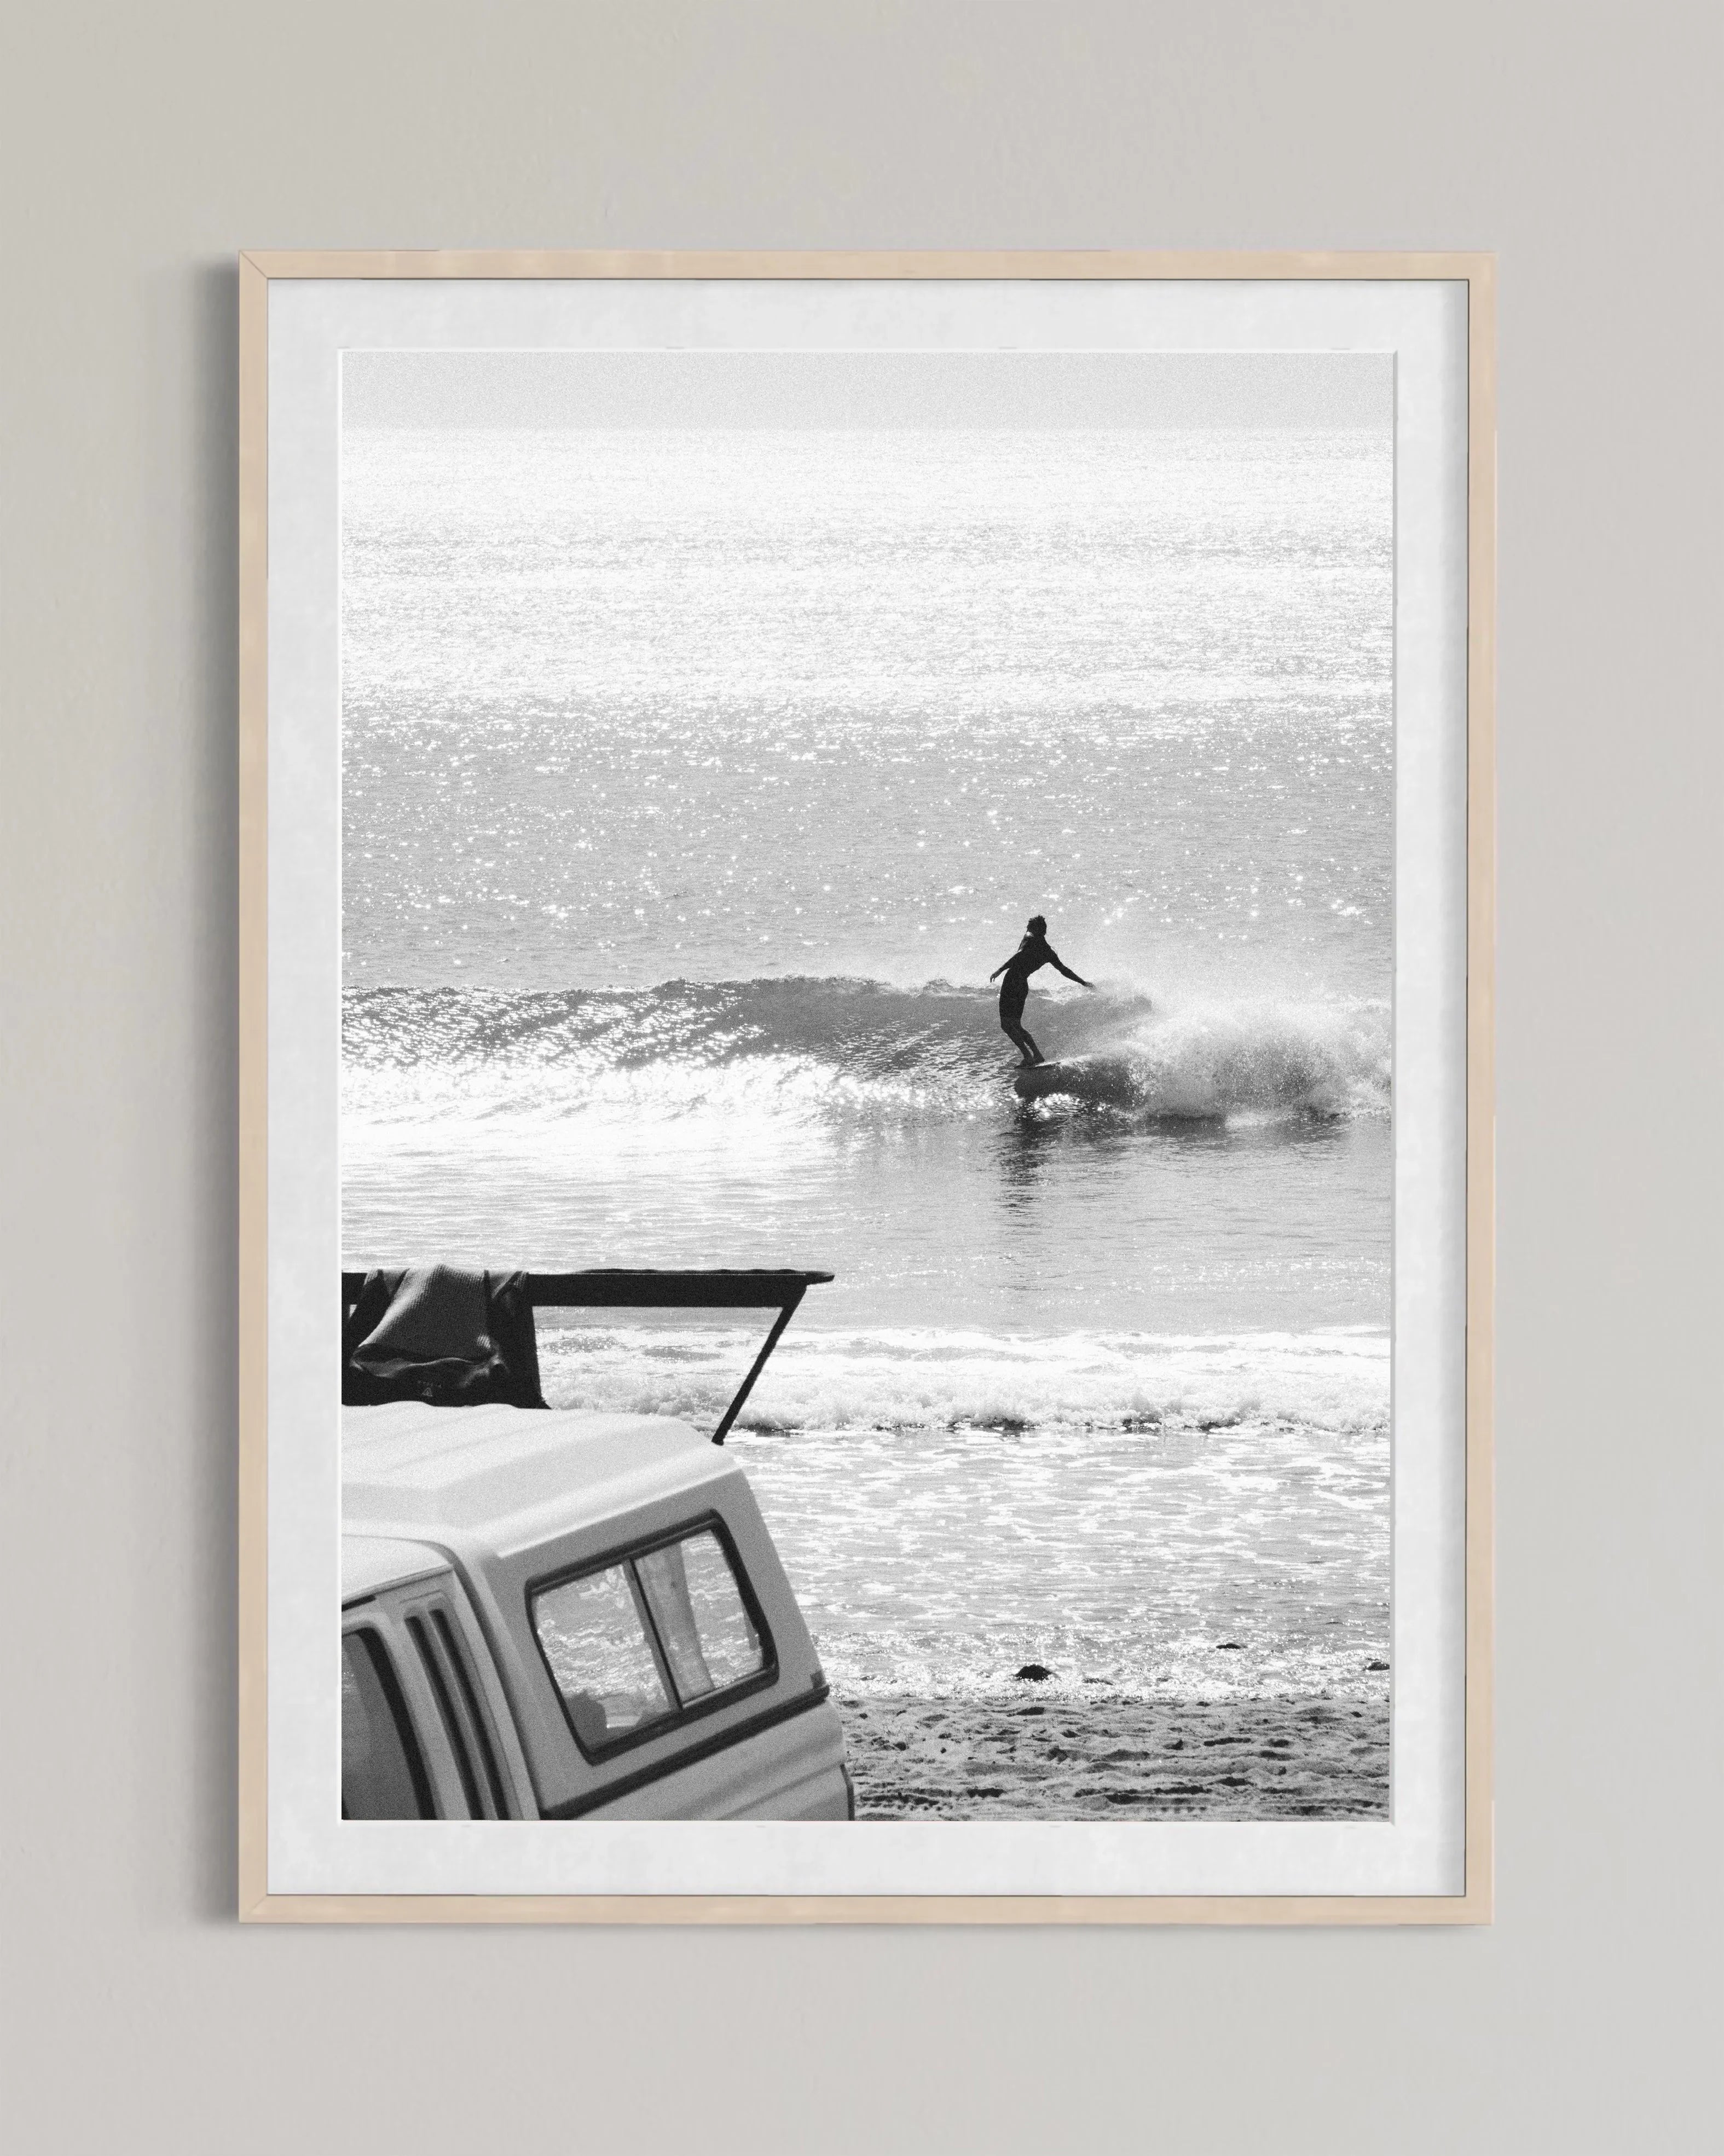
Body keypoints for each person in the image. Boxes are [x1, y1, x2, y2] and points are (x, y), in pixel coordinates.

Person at [988, 915, 1092, 1066]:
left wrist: (1000, 969)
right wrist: (1083, 982)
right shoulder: (1048, 951)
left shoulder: (1029, 937)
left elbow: (1019, 956)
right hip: (1022, 985)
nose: (1027, 929)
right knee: (1016, 1025)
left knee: (1007, 1025)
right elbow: (1064, 970)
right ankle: (1037, 1055)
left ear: (1034, 929)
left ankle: (1028, 1057)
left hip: (1012, 982)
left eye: (1029, 927)